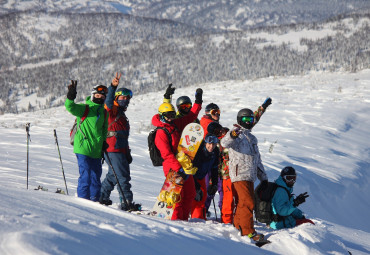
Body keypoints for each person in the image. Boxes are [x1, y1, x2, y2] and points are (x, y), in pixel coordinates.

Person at [217, 98, 272, 224]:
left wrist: (262, 108)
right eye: (245, 120)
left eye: (250, 120)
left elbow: (257, 159)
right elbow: (225, 142)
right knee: (234, 201)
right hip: (229, 173)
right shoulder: (234, 133)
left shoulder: (250, 137)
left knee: (242, 202)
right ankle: (232, 225)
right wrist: (232, 135)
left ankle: (238, 225)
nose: (248, 122)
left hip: (247, 174)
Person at [152, 86, 203, 221]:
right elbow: (166, 154)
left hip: (183, 165)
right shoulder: (161, 132)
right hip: (173, 167)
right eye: (167, 115)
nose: (170, 118)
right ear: (162, 116)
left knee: (190, 193)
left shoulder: (174, 125)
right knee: (177, 197)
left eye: (172, 115)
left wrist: (198, 101)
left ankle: (184, 220)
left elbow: (191, 116)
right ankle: (175, 222)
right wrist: (178, 168)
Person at [99, 73, 139, 211]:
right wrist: (112, 87)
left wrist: (127, 152)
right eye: (123, 97)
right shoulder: (112, 111)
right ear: (117, 98)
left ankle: (102, 196)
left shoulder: (122, 115)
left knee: (113, 175)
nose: (126, 100)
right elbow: (108, 102)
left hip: (120, 149)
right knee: (122, 176)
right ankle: (126, 202)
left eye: (128, 98)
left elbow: (123, 136)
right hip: (112, 149)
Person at [65, 80, 108, 201]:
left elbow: (104, 130)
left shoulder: (104, 112)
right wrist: (70, 97)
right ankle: (83, 201)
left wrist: (104, 143)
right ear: (93, 95)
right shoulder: (85, 108)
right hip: (82, 148)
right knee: (86, 175)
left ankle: (95, 200)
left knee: (96, 177)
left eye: (102, 96)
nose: (100, 98)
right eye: (98, 95)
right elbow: (70, 107)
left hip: (96, 150)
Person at [190, 134, 220, 220]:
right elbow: (192, 169)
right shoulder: (199, 151)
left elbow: (214, 168)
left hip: (201, 176)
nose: (211, 146)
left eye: (214, 144)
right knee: (197, 197)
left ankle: (200, 217)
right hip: (191, 177)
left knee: (203, 197)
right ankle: (196, 219)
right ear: (205, 143)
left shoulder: (215, 151)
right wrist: (196, 186)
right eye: (209, 144)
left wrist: (214, 183)